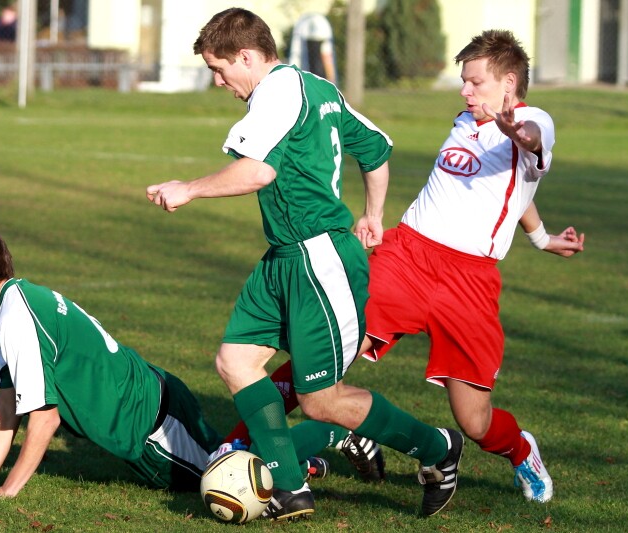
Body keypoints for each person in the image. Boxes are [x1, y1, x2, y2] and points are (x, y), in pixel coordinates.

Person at [146, 8, 463, 520]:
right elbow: (375, 149)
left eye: (219, 69)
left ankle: (437, 447)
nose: (218, 81)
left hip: (319, 260)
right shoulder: (318, 88)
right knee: (235, 361)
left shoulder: (276, 93)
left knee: (320, 401)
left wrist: (189, 189)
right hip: (284, 257)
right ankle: (292, 489)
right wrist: (373, 214)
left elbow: (258, 171)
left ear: (246, 56)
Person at [0, 223, 366, 497]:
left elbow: (44, 418)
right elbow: (7, 406)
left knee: (233, 481)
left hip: (151, 425)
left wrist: (5, 492)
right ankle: (318, 452)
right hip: (153, 395)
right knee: (237, 459)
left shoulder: (16, 318)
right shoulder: (20, 302)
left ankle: (329, 436)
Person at [353, 30, 582, 505]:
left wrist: (521, 134)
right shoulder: (464, 121)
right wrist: (541, 237)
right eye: (464, 81)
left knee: (474, 420)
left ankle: (522, 451)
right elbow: (509, 191)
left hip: (469, 281)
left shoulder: (534, 120)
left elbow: (532, 144)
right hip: (408, 255)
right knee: (335, 342)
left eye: (475, 82)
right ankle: (256, 443)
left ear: (509, 83)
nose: (464, 90)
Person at [288, 13, 337, 83]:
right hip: (314, 78)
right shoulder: (320, 28)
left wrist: (331, 78)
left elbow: (327, 58)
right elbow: (327, 58)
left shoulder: (320, 29)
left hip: (314, 77)